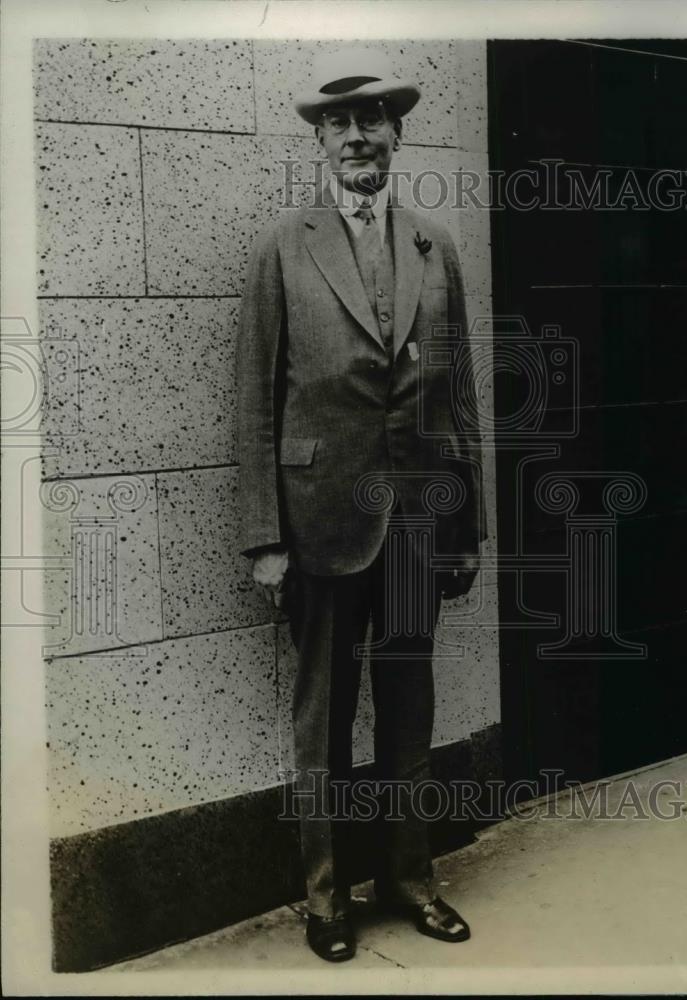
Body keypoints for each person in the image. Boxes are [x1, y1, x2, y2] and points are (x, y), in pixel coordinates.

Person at [236, 46, 486, 962]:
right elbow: (255, 402)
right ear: (320, 141)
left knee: (410, 707)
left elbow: (457, 398)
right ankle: (324, 896)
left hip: (418, 524)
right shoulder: (281, 247)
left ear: (396, 134)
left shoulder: (434, 244)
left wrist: (468, 526)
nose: (356, 137)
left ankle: (413, 879)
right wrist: (265, 539)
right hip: (319, 525)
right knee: (325, 718)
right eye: (338, 124)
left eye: (371, 122)